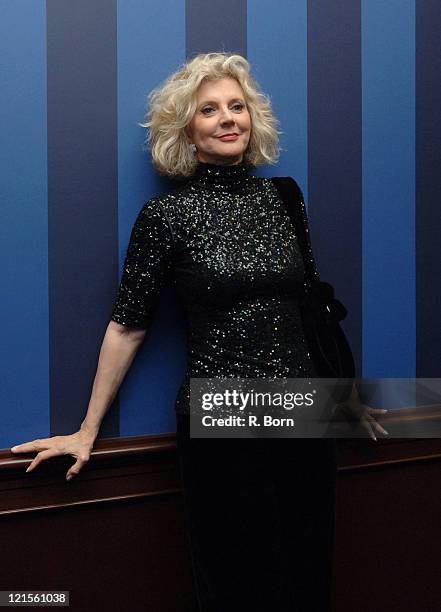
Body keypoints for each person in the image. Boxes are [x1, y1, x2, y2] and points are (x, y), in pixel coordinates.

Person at [11, 53, 388, 611]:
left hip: (304, 412)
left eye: (237, 106)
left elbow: (311, 310)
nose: (228, 118)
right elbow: (127, 326)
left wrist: (343, 395)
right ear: (186, 129)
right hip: (223, 414)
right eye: (209, 110)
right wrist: (87, 431)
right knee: (241, 582)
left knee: (309, 576)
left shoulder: (283, 198)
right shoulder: (166, 216)